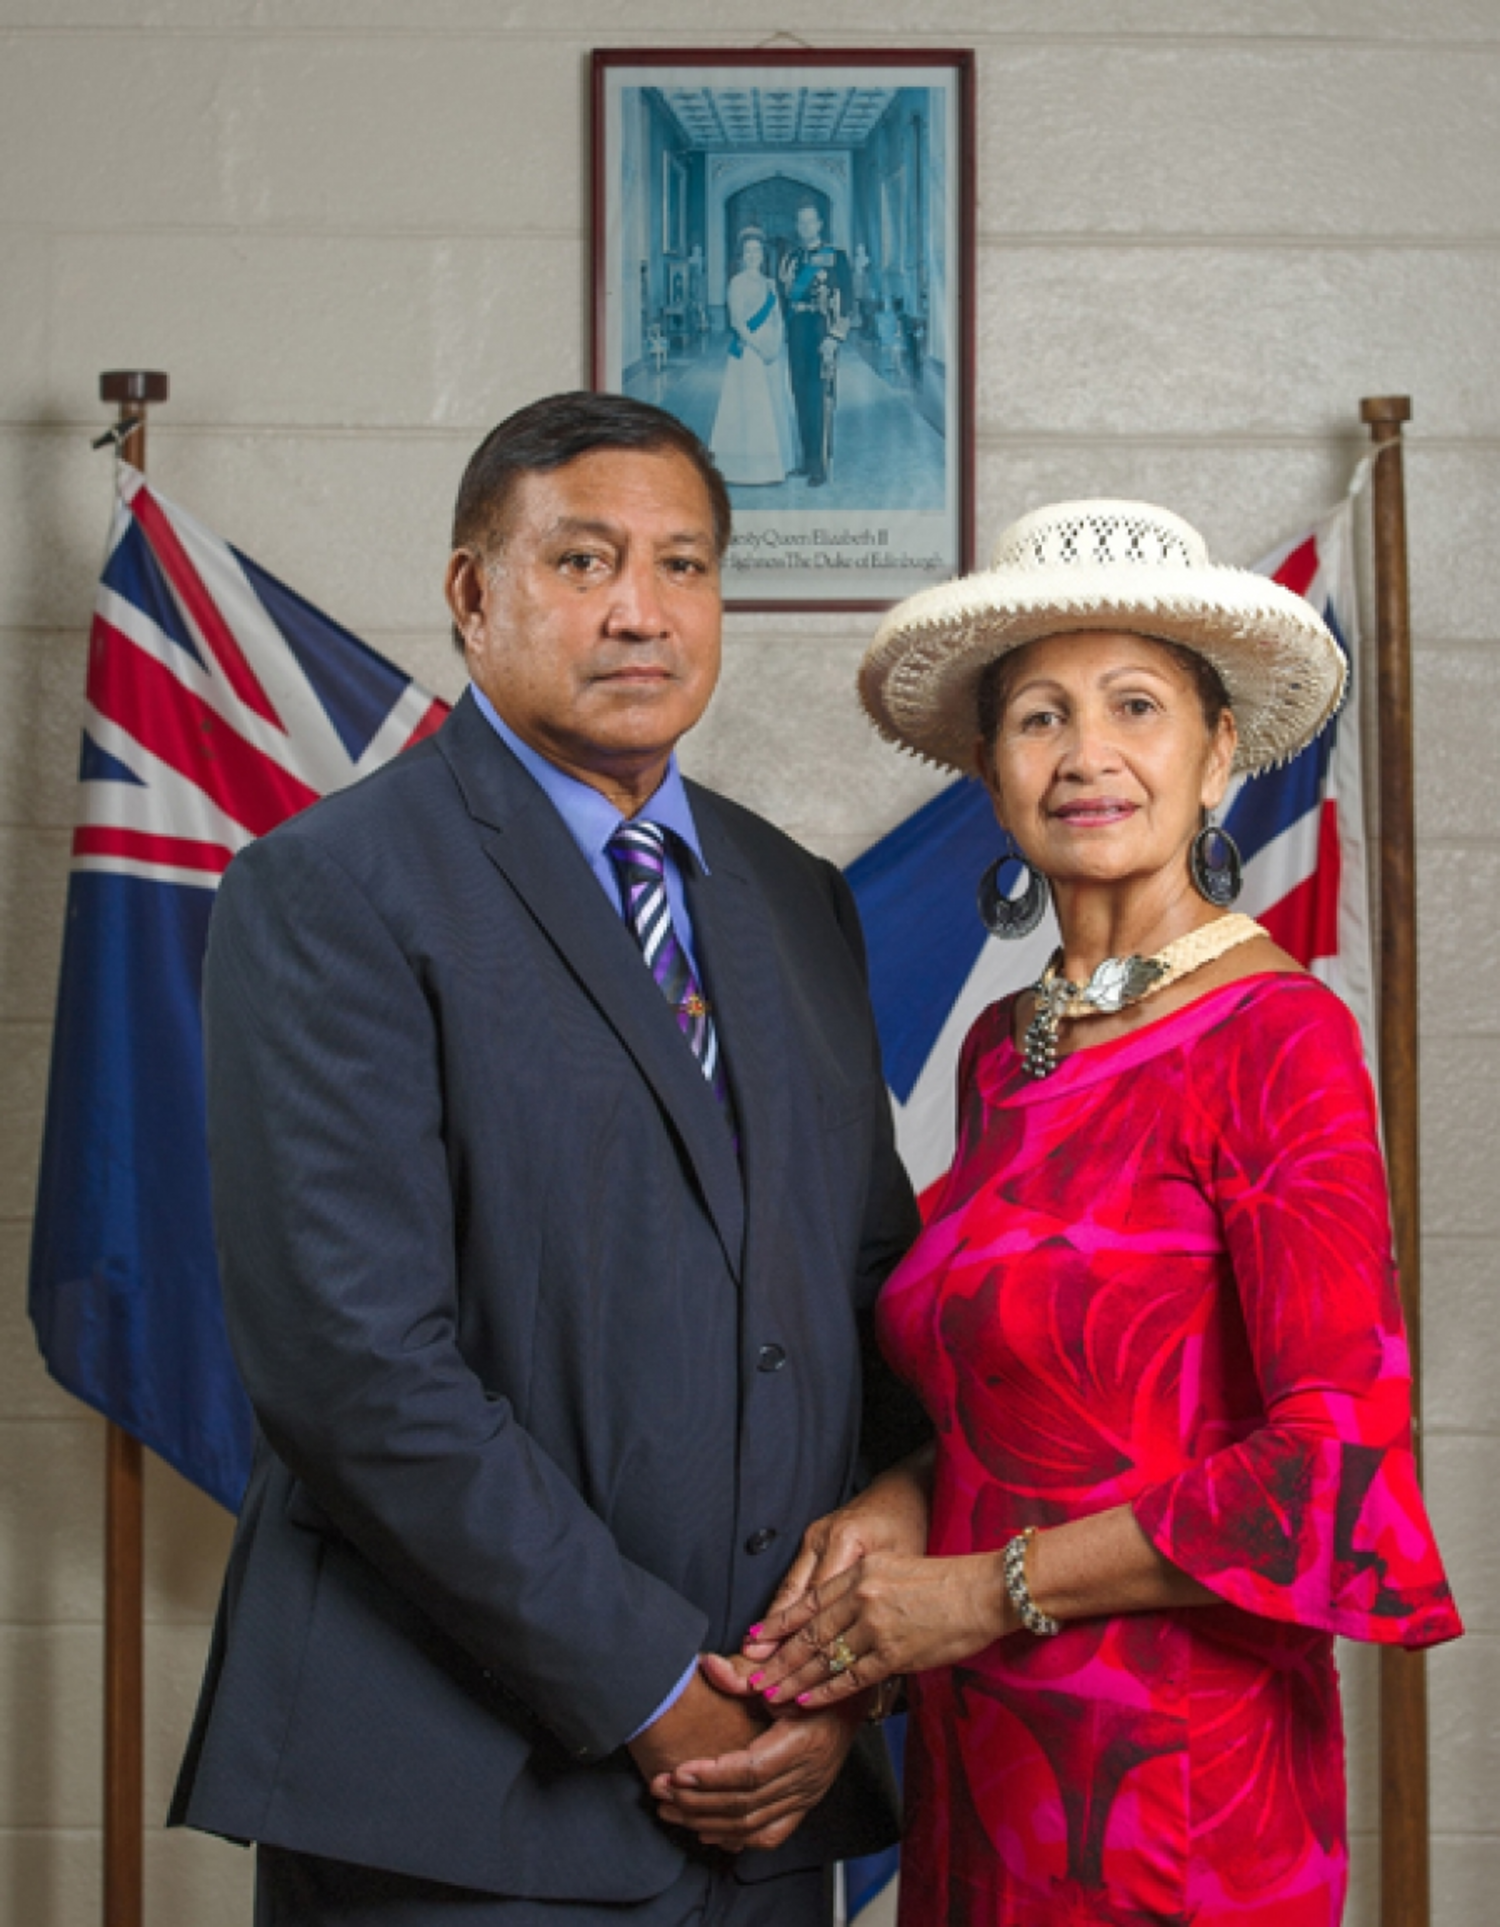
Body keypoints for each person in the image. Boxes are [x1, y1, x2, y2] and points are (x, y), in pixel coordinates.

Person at [168, 391, 926, 1925]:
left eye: (685, 565)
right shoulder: (331, 890)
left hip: (772, 1793)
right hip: (463, 1809)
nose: (641, 611)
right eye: (583, 562)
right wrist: (660, 1691)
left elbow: (863, 1298)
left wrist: (846, 1656)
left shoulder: (793, 899)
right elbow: (356, 1368)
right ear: (472, 592)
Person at [735, 499, 1463, 1924]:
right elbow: (1007, 1385)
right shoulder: (1010, 1045)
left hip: (1183, 1779)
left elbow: (1328, 1463)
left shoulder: (1280, 1035)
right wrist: (896, 1508)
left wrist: (980, 1592)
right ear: (992, 772)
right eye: (1041, 717)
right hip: (984, 1759)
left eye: (1137, 705)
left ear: (1218, 757)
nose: (1087, 755)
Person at [709, 229, 800, 486]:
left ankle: (777, 465)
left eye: (756, 251)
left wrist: (776, 344)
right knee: (751, 407)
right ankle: (748, 469)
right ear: (742, 255)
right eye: (748, 251)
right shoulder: (736, 282)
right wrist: (760, 346)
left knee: (773, 404)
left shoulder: (770, 283)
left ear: (763, 254)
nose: (752, 255)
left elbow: (778, 318)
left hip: (772, 351)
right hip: (749, 352)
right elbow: (737, 321)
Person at [778, 203, 852, 488]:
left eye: (811, 222)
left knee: (819, 396)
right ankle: (807, 459)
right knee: (799, 392)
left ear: (820, 224)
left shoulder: (836, 257)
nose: (807, 227)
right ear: (798, 226)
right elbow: (784, 297)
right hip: (798, 330)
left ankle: (820, 464)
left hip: (822, 331)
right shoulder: (791, 258)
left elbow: (847, 299)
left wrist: (835, 337)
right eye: (801, 222)